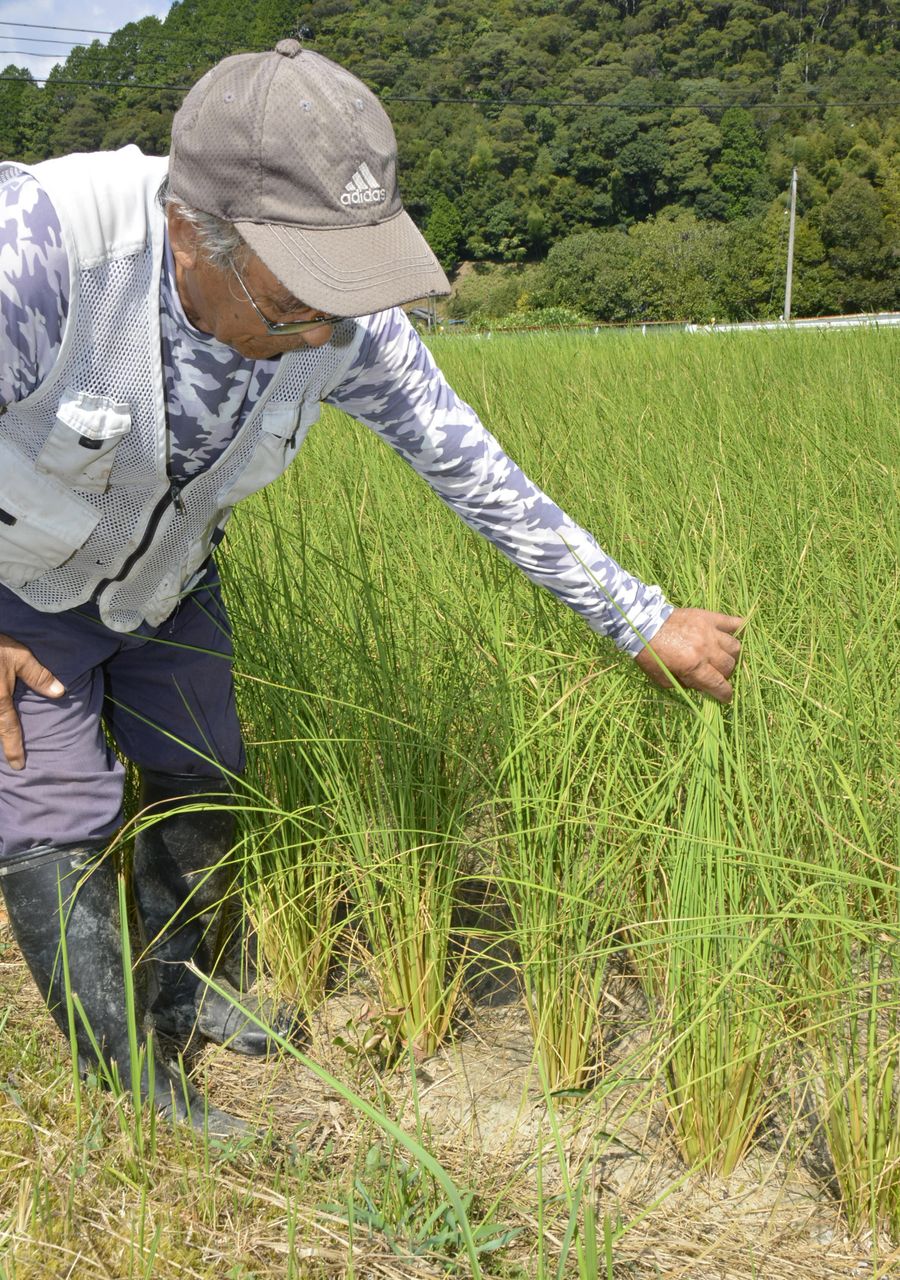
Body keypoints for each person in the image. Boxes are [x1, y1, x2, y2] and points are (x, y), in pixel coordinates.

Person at [0, 42, 742, 1136]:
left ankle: (177, 982)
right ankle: (131, 1092)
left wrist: (642, 616)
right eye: (301, 301)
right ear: (190, 233)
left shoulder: (347, 321)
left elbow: (477, 471)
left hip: (163, 577)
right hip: (18, 580)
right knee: (53, 805)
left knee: (204, 765)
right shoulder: (44, 255)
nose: (329, 333)